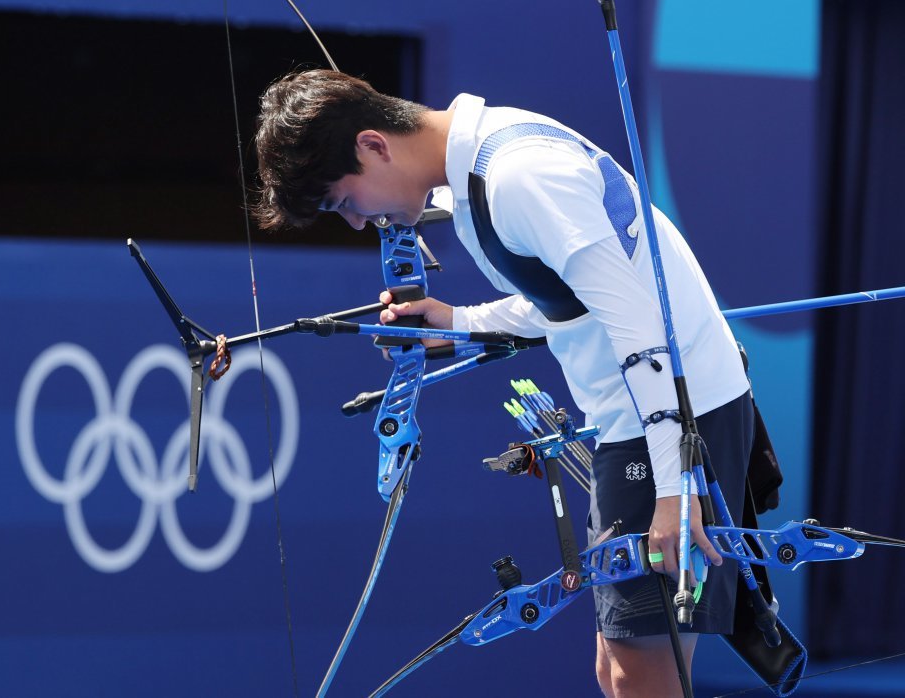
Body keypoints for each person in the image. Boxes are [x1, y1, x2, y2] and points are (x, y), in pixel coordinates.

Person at [252, 69, 753, 697]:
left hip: (672, 419)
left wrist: (678, 484)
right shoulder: (482, 168)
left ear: (374, 145)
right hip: (658, 415)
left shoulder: (518, 177)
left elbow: (640, 326)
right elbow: (572, 301)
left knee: (640, 673)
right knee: (621, 667)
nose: (357, 223)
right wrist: (460, 324)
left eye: (344, 201)